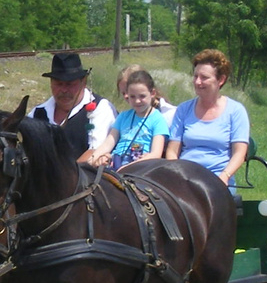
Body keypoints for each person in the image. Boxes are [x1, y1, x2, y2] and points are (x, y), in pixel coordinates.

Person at [165, 48, 250, 197]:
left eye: (204, 77)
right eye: (196, 76)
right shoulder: (184, 109)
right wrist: (178, 174)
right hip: (186, 177)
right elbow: (172, 150)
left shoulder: (236, 111)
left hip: (217, 178)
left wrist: (224, 176)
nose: (198, 82)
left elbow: (239, 153)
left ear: (221, 80)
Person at [32, 51, 116, 166]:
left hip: (86, 181)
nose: (64, 90)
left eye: (70, 84)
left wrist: (64, 179)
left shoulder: (101, 108)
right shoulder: (38, 113)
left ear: (84, 82)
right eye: (58, 84)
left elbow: (96, 151)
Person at [96, 70, 169, 170]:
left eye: (142, 96)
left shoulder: (158, 119)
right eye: (132, 97)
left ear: (152, 93)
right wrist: (93, 159)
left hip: (140, 166)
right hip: (116, 161)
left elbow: (156, 153)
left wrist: (128, 167)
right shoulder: (123, 116)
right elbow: (108, 143)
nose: (137, 101)